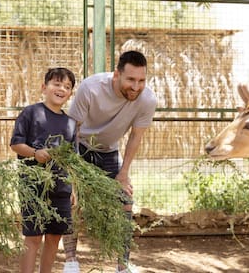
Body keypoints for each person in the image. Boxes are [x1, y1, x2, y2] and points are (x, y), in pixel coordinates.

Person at [62, 50, 157, 273]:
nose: (136, 86)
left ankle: (122, 266)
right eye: (131, 79)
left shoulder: (147, 99)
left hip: (110, 151)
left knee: (125, 200)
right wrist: (73, 173)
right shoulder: (91, 87)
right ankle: (71, 261)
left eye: (141, 80)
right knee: (72, 200)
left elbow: (136, 137)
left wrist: (123, 174)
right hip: (81, 147)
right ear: (117, 75)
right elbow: (71, 130)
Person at [10, 67, 77, 273]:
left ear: (70, 93)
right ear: (44, 87)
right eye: (57, 84)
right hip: (33, 185)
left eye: (67, 86)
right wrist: (34, 153)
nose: (61, 89)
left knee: (55, 236)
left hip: (61, 187)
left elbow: (71, 161)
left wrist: (73, 187)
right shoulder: (31, 113)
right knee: (33, 238)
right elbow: (15, 144)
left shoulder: (71, 123)